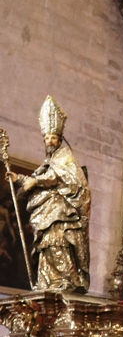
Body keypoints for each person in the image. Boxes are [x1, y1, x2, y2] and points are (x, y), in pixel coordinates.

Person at [10, 96, 90, 292]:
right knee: (45, 244)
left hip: (61, 211)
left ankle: (68, 279)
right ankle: (48, 281)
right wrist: (19, 178)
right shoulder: (49, 161)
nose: (49, 141)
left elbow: (54, 177)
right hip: (47, 211)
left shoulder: (65, 157)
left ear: (60, 139)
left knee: (58, 241)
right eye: (46, 138)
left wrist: (35, 181)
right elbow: (39, 177)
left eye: (53, 138)